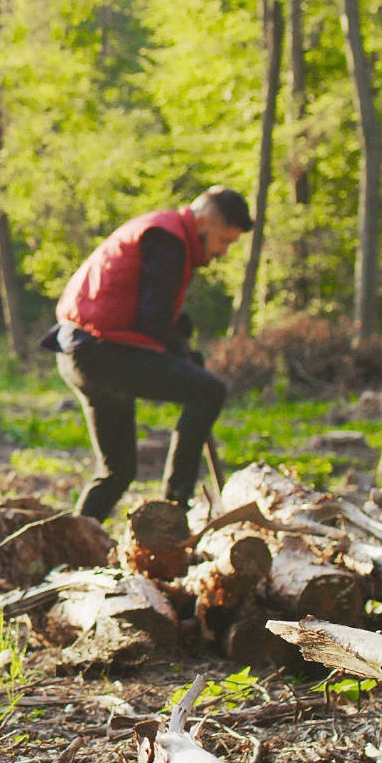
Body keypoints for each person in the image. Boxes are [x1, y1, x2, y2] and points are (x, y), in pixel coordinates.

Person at [40, 187, 253, 521]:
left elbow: (152, 306)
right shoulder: (168, 239)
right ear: (202, 221)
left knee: (118, 472)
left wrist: (180, 343)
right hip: (99, 351)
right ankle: (174, 511)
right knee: (208, 391)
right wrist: (181, 352)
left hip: (78, 353)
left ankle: (74, 544)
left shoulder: (162, 231)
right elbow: (152, 318)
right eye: (223, 240)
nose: (223, 252)